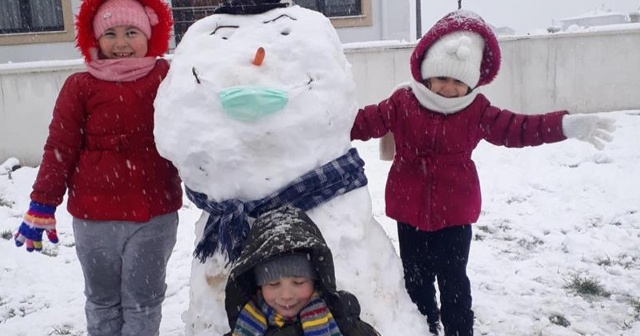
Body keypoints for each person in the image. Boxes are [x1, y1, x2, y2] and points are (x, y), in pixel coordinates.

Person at [350, 9, 615, 336]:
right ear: (427, 74)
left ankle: (460, 331)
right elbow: (363, 122)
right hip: (409, 209)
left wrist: (563, 125)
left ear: (471, 82)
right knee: (416, 281)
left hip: (455, 212)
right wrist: (323, 123)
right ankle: (423, 328)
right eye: (442, 78)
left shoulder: (477, 111)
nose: (448, 88)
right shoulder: (403, 102)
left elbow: (519, 129)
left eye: (458, 81)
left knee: (454, 282)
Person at [13, 0, 182, 335]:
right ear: (94, 39)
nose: (120, 43)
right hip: (95, 220)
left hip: (154, 214)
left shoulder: (167, 78)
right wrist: (42, 202)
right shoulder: (80, 86)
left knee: (144, 300)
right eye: (110, 34)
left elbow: (196, 130)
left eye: (131, 32)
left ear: (150, 34)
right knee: (103, 300)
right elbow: (60, 147)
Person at [224, 205, 380, 336]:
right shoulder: (242, 328)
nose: (286, 295)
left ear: (316, 279)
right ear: (259, 285)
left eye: (298, 282)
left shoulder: (344, 323)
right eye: (273, 283)